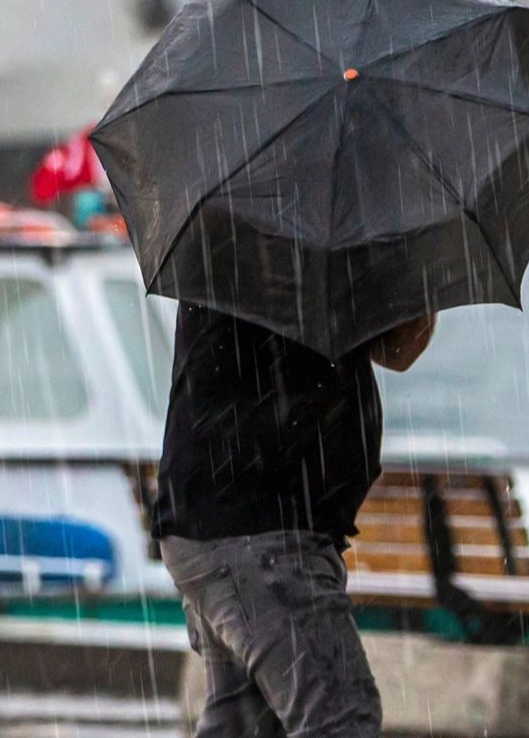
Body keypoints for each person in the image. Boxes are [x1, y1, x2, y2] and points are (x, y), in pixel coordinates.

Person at [155, 305, 436, 738]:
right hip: (259, 531)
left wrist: (416, 278)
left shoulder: (263, 250)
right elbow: (392, 342)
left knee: (247, 725)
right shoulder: (295, 249)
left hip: (221, 522)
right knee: (341, 718)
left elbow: (396, 348)